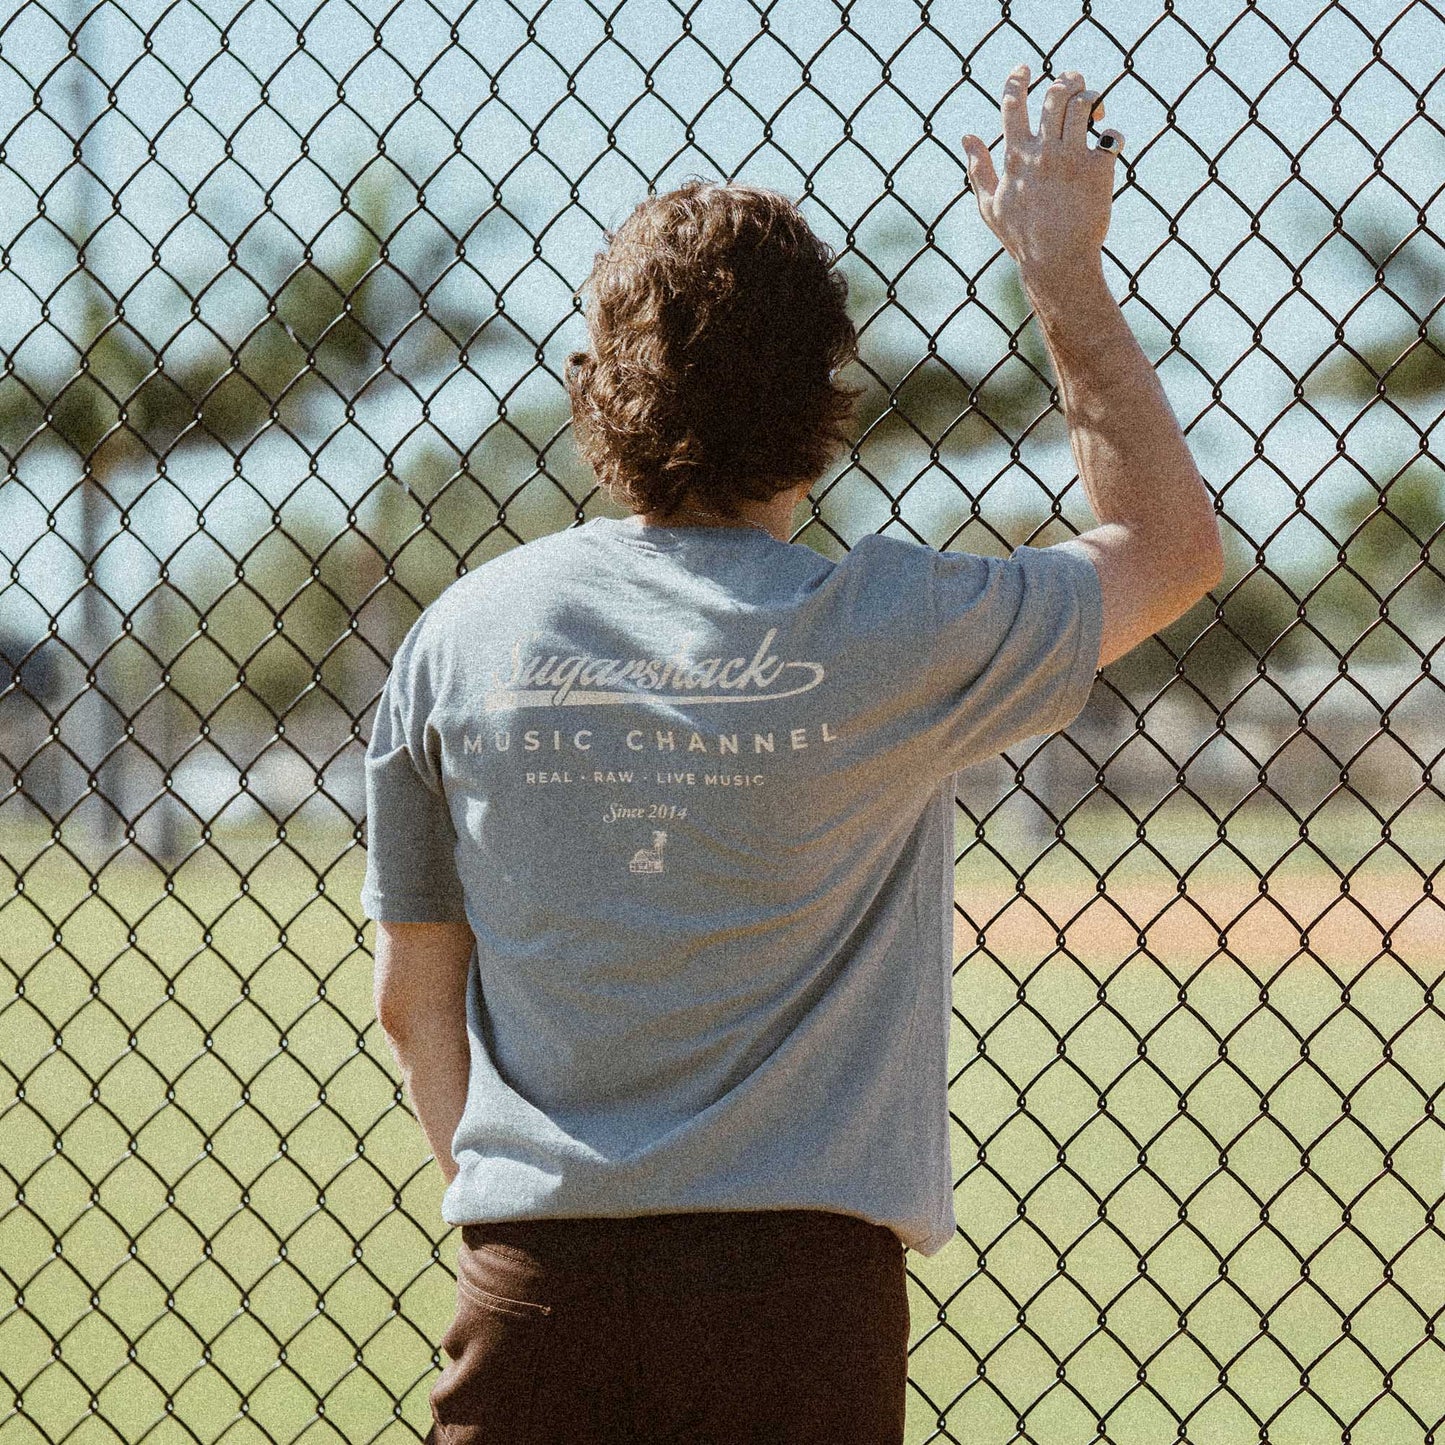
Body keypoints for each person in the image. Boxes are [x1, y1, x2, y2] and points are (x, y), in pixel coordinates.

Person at [361, 64, 1222, 1445]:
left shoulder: (462, 635)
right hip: (796, 1294)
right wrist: (1059, 273)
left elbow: (415, 999)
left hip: (533, 1277)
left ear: (594, 390)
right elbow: (1171, 548)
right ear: (826, 400)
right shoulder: (886, 626)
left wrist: (522, 1201)